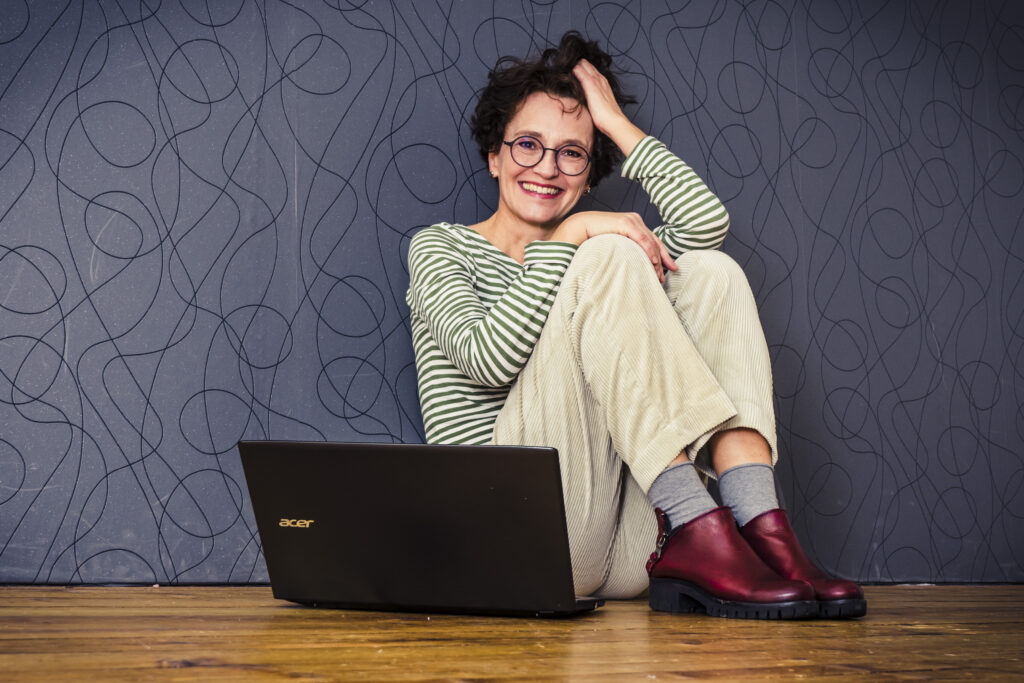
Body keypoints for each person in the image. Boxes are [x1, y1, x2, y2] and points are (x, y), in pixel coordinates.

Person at [406, 31, 865, 619]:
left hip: (622, 548)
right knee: (609, 253)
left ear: (589, 173)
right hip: (508, 538)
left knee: (711, 273)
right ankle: (699, 520)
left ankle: (756, 527)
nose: (547, 167)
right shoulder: (441, 249)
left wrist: (615, 124)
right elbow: (485, 360)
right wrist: (576, 234)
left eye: (571, 152)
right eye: (527, 145)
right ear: (494, 156)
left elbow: (705, 226)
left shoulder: (599, 258)